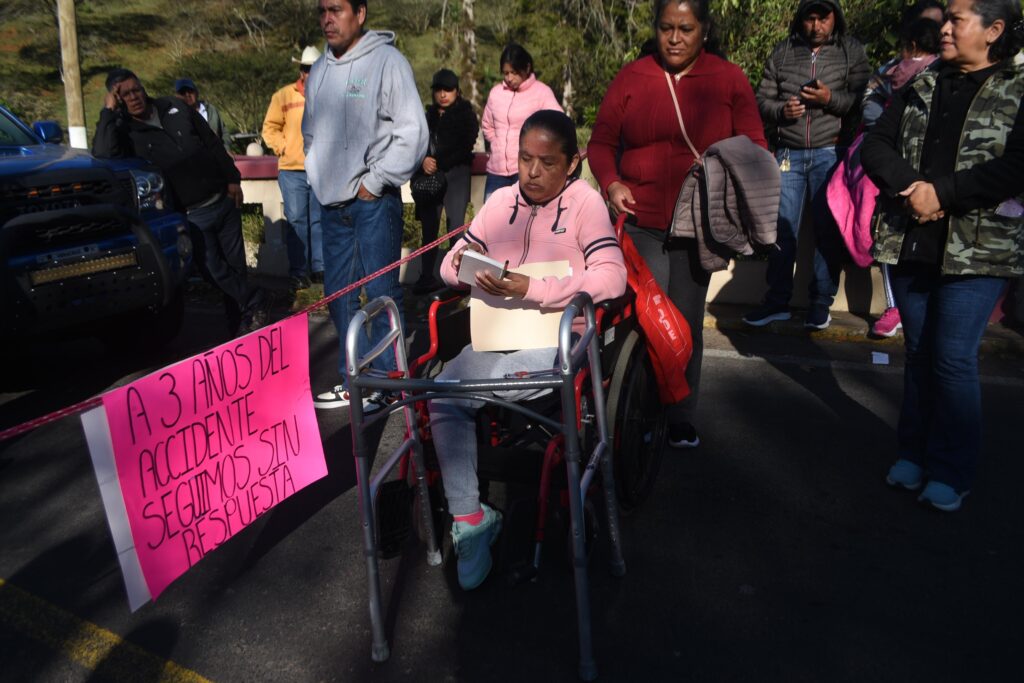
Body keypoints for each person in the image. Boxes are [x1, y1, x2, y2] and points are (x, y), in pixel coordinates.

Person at [431, 110, 626, 590]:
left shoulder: (585, 204)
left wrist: (531, 287)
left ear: (572, 163)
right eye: (524, 159)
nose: (532, 172)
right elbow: (449, 263)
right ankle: (470, 520)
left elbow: (612, 276)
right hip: (495, 334)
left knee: (461, 388)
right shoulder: (501, 201)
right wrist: (467, 270)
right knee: (440, 390)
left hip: (555, 340)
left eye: (547, 162)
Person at [860, 0, 1024, 511]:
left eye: (957, 20)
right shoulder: (924, 82)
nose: (944, 29)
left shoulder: (1018, 87)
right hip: (912, 239)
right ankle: (913, 452)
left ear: (994, 30)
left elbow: (1016, 166)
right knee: (919, 354)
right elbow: (875, 145)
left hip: (979, 250)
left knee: (952, 359)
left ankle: (952, 470)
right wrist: (914, 188)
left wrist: (943, 194)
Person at [588, 0, 768, 449]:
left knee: (684, 323)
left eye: (685, 29)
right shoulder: (632, 77)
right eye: (666, 27)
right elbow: (601, 141)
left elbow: (755, 146)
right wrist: (611, 183)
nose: (674, 38)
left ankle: (680, 416)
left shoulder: (729, 79)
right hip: (641, 220)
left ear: (704, 30)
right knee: (648, 320)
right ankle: (640, 411)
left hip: (699, 227)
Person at [303, 0, 428, 411]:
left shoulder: (387, 62)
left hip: (373, 202)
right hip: (331, 204)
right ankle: (354, 378)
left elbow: (413, 132)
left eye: (336, 9)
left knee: (380, 293)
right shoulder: (318, 71)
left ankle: (389, 385)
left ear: (360, 13)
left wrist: (374, 182)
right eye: (322, 10)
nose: (327, 18)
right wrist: (317, 176)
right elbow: (310, 133)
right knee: (338, 295)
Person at [94, 68, 264, 337]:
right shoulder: (124, 132)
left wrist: (233, 179)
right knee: (213, 271)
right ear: (117, 99)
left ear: (143, 88)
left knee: (235, 270)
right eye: (124, 94)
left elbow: (211, 142)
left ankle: (242, 328)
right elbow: (103, 155)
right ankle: (255, 299)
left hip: (223, 200)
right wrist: (108, 112)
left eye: (136, 89)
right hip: (191, 214)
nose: (134, 97)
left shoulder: (174, 106)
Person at [743, 0, 869, 330]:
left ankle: (820, 303)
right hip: (789, 153)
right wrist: (781, 111)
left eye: (823, 18)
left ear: (835, 18)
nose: (816, 26)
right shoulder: (783, 51)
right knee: (781, 230)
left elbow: (862, 100)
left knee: (828, 231)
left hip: (831, 152)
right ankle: (777, 301)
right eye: (810, 19)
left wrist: (830, 100)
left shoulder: (850, 51)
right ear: (801, 19)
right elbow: (762, 99)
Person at [860, 13, 943, 337]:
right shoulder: (907, 78)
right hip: (901, 182)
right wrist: (912, 182)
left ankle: (895, 306)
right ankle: (895, 307)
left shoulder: (998, 86)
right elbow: (875, 139)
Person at [411, 68, 479, 294]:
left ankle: (458, 280)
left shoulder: (466, 115)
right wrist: (423, 161)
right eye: (438, 90)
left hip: (457, 175)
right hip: (431, 176)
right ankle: (426, 277)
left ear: (457, 91)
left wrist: (437, 161)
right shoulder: (426, 116)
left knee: (456, 228)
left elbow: (467, 143)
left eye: (447, 90)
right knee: (429, 229)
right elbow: (415, 143)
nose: (442, 94)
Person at [262, 45, 324, 291]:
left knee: (319, 220)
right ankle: (299, 271)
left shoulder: (328, 94)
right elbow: (270, 128)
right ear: (301, 71)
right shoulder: (283, 96)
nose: (309, 73)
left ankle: (319, 268)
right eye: (306, 68)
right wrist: (283, 147)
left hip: (320, 168)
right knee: (297, 221)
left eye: (314, 68)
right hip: (292, 169)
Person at [480, 43, 562, 201]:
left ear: (527, 67)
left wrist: (537, 151)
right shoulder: (495, 93)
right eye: (506, 73)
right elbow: (487, 125)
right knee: (492, 215)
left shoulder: (542, 92)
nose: (509, 78)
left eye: (514, 72)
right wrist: (497, 144)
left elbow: (558, 124)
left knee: (525, 215)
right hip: (496, 172)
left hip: (526, 171)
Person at [174, 78, 230, 150]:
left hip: (217, 152)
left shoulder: (211, 109)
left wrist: (226, 148)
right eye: (182, 92)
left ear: (196, 92)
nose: (187, 95)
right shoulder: (175, 116)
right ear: (177, 96)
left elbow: (224, 132)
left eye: (190, 91)